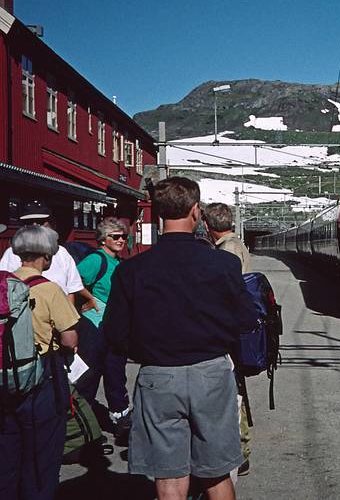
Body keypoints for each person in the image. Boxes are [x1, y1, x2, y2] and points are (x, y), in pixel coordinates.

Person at [103, 177, 258, 500]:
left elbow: (115, 336)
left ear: (158, 214)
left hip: (158, 376)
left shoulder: (131, 271)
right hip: (211, 374)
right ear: (196, 212)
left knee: (170, 477)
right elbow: (246, 320)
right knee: (216, 474)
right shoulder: (224, 264)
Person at [0, 225, 79, 499]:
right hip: (41, 376)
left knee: (8, 449)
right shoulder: (50, 290)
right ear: (46, 255)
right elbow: (69, 339)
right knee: (42, 453)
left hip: (5, 376)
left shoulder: (3, 285)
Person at [203, 203, 253, 476]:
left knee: (234, 394)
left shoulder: (227, 251)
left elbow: (230, 293)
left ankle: (240, 450)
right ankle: (241, 447)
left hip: (230, 330)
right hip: (236, 327)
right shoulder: (238, 245)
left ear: (209, 227)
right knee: (236, 392)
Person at [74, 217, 132, 443]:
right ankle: (83, 428)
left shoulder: (117, 261)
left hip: (112, 327)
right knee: (90, 377)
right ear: (103, 239)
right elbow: (72, 282)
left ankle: (121, 421)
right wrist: (88, 299)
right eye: (115, 236)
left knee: (115, 373)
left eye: (123, 237)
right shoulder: (96, 259)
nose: (120, 240)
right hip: (93, 326)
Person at [0, 201, 98, 312]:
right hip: (24, 318)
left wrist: (68, 319)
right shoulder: (12, 253)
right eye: (29, 222)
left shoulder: (61, 253)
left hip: (59, 318)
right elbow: (3, 289)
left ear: (52, 224)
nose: (35, 226)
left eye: (40, 222)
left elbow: (71, 290)